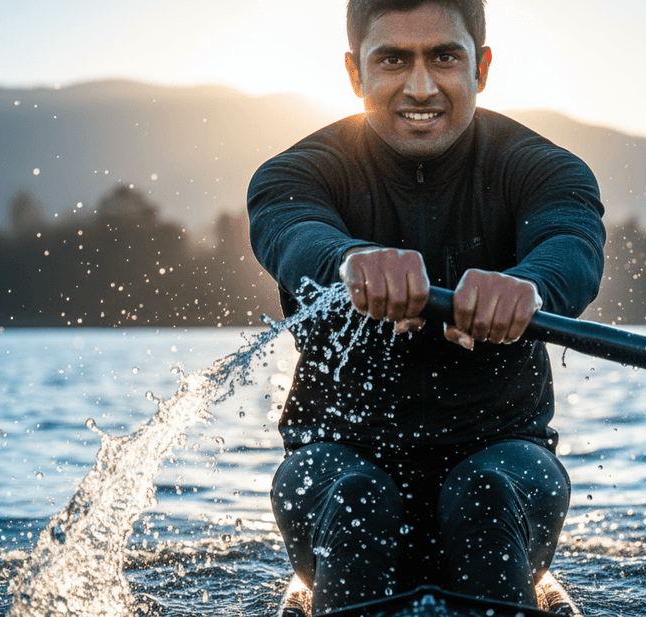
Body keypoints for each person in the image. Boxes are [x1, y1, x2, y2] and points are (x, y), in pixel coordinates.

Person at [247, 0, 605, 613]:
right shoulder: (294, 174)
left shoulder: (546, 170)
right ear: (355, 73)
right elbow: (293, 235)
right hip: (337, 458)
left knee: (484, 494)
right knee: (359, 500)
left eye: (444, 56)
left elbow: (572, 245)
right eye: (392, 60)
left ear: (481, 67)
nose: (420, 86)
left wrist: (532, 285)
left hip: (505, 456)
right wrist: (349, 260)